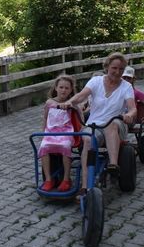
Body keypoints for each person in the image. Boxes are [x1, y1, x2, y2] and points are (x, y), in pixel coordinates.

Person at [61, 52, 137, 200]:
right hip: (95, 124)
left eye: (121, 69)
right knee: (88, 139)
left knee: (111, 125)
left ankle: (113, 165)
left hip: (117, 123)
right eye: (114, 68)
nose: (117, 72)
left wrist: (129, 115)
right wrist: (70, 102)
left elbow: (132, 107)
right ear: (107, 67)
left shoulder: (126, 86)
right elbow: (82, 95)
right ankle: (85, 186)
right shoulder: (96, 81)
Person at [39, 74, 80, 192]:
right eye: (61, 87)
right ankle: (48, 179)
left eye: (67, 88)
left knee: (65, 146)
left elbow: (79, 117)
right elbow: (46, 118)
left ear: (71, 90)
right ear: (56, 88)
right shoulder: (50, 102)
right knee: (44, 146)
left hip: (66, 132)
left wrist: (74, 107)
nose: (63, 90)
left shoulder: (71, 103)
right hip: (51, 132)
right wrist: (43, 133)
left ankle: (66, 179)